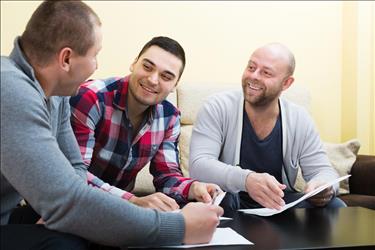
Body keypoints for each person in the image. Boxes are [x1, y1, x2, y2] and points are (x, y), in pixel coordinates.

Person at [0, 1, 223, 249]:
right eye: (95, 55)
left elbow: (76, 172)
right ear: (66, 59)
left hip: (15, 214)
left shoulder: (57, 95)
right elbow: (68, 199)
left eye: (167, 76)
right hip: (36, 210)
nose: (97, 66)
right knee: (65, 243)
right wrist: (178, 228)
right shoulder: (10, 89)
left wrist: (190, 192)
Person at [189, 43, 346, 214]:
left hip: (278, 203)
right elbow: (199, 165)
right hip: (229, 200)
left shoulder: (299, 118)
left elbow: (323, 171)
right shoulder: (217, 107)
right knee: (222, 202)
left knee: (334, 206)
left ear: (286, 83)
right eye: (251, 67)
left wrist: (324, 186)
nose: (254, 76)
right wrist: (247, 180)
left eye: (266, 73)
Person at [70, 36, 221, 211]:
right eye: (147, 67)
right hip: (75, 205)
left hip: (121, 213)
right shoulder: (91, 98)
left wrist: (194, 188)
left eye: (166, 76)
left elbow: (167, 176)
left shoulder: (169, 117)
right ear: (134, 64)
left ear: (174, 85)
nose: (153, 80)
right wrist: (133, 201)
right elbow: (75, 176)